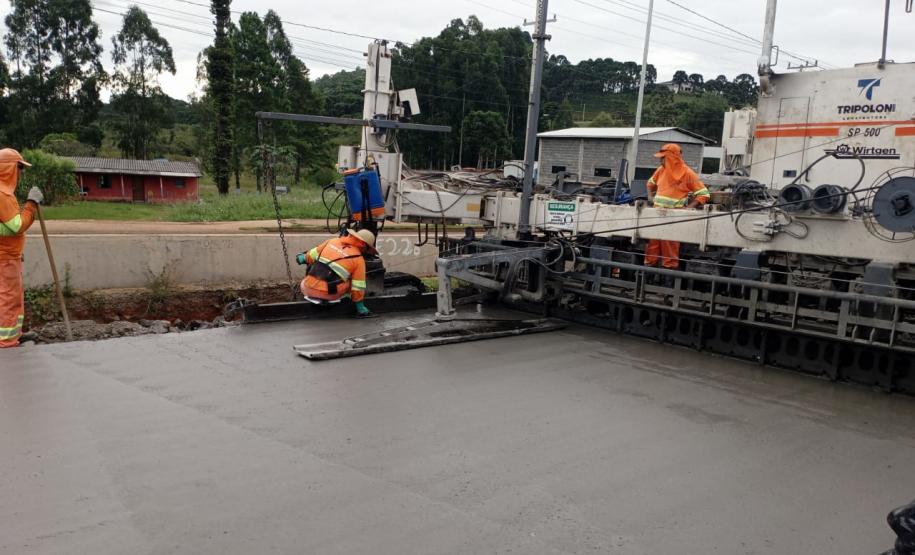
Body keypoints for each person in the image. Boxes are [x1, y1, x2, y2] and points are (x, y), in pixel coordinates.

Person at [0, 149, 43, 348]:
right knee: (9, 298)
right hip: (4, 258)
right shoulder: (2, 194)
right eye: (19, 168)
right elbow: (16, 225)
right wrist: (31, 205)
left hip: (8, 255)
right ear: (8, 169)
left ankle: (13, 334)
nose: (20, 173)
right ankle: (7, 340)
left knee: (9, 297)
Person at [644, 143, 710, 270]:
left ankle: (668, 277)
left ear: (671, 159)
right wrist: (650, 198)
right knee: (653, 245)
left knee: (670, 245)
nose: (660, 160)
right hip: (656, 216)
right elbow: (650, 183)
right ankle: (649, 272)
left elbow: (703, 194)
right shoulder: (661, 170)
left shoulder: (687, 173)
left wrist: (689, 208)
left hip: (674, 218)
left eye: (663, 158)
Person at [295, 228, 376, 317]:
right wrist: (361, 309)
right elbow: (358, 287)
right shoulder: (358, 259)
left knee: (315, 267)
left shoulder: (332, 241)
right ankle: (339, 301)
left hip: (306, 288)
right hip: (328, 295)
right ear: (363, 245)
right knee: (352, 281)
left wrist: (302, 258)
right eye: (367, 249)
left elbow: (309, 256)